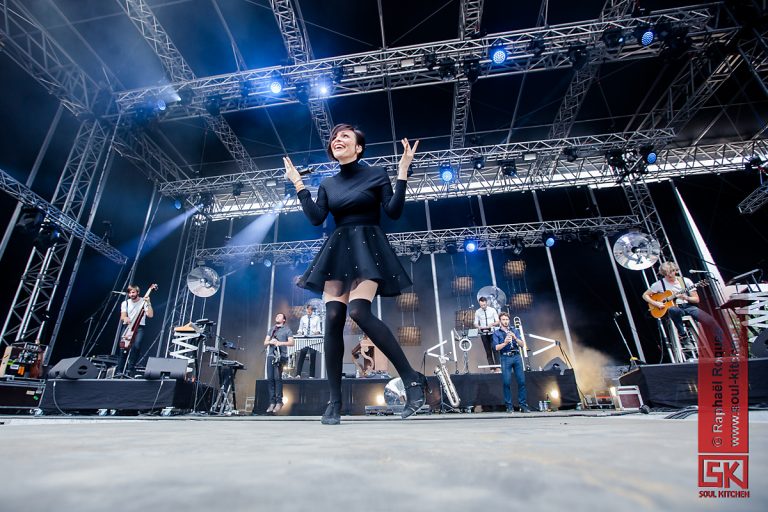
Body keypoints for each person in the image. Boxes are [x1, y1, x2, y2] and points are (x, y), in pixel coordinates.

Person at [284, 123, 426, 424]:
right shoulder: (327, 184)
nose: (338, 140)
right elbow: (316, 218)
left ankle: (411, 379)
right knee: (334, 318)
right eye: (335, 137)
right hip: (339, 248)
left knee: (359, 312)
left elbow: (393, 211)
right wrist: (298, 184)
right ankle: (334, 402)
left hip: (368, 247)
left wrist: (402, 172)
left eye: (345, 136)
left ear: (358, 147)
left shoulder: (376, 174)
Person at [642, 261, 724, 355]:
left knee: (711, 321)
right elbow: (645, 295)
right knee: (673, 310)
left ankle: (724, 348)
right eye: (666, 275)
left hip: (687, 306)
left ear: (675, 271)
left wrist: (686, 297)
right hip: (673, 309)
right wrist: (656, 303)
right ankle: (684, 336)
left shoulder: (686, 281)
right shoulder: (659, 284)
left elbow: (696, 300)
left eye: (671, 274)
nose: (669, 277)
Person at [493, 312, 530, 413]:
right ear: (500, 321)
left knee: (521, 382)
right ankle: (509, 406)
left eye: (507, 320)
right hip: (505, 357)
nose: (505, 321)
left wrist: (515, 338)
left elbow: (522, 344)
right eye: (503, 320)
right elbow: (496, 348)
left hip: (517, 356)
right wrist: (505, 342)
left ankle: (523, 405)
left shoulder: (514, 330)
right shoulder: (497, 333)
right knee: (506, 382)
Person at [117, 284, 153, 377]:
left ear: (137, 292)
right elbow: (123, 316)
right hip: (128, 327)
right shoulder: (125, 303)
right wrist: (125, 319)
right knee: (123, 348)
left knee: (136, 347)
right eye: (129, 293)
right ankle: (119, 371)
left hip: (140, 327)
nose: (131, 294)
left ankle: (130, 369)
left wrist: (148, 303)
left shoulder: (143, 301)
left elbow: (150, 315)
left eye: (133, 292)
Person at [263, 312, 294, 414]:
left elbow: (291, 342)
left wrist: (280, 343)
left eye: (279, 316)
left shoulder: (287, 330)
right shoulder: (272, 329)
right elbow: (265, 342)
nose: (277, 316)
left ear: (284, 320)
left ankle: (279, 402)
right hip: (271, 356)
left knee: (277, 378)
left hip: (281, 357)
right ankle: (272, 402)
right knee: (270, 379)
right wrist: (270, 342)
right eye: (276, 315)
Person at [295, 304, 322, 378]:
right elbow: (300, 328)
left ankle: (311, 375)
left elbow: (319, 329)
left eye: (310, 309)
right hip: (305, 339)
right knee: (301, 356)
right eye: (307, 309)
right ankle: (298, 374)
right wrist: (300, 332)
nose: (308, 311)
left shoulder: (317, 318)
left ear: (312, 310)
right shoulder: (303, 318)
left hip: (313, 339)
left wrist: (316, 332)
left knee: (313, 357)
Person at [474, 296, 500, 371]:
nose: (482, 306)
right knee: (488, 352)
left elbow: (497, 321)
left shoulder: (492, 310)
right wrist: (478, 327)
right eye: (481, 305)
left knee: (495, 349)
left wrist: (491, 324)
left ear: (486, 303)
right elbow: (475, 323)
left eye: (484, 305)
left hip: (492, 333)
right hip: (484, 334)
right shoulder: (478, 311)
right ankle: (492, 368)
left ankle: (498, 367)